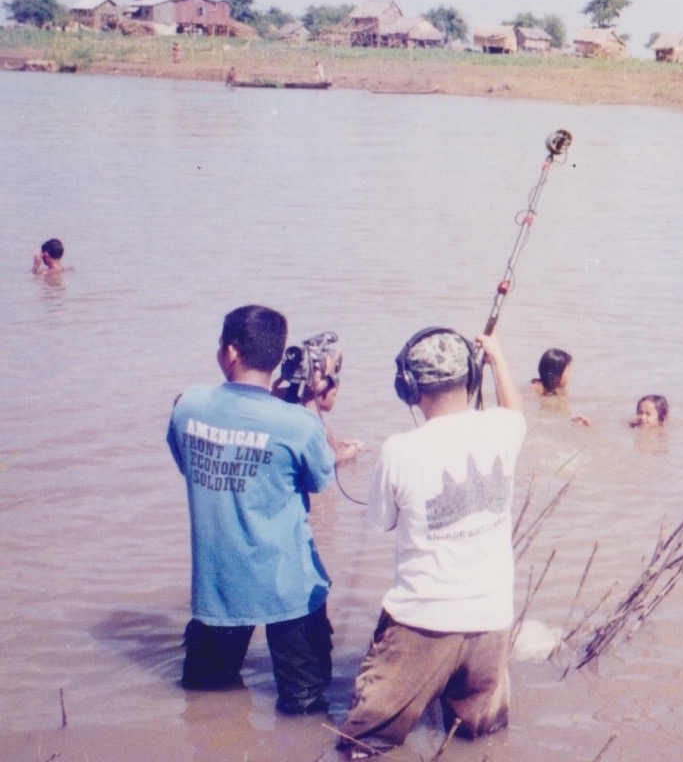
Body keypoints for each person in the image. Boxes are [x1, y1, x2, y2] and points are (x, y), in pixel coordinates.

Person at [336, 328, 526, 759]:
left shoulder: (400, 450)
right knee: (481, 740)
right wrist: (497, 355)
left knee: (362, 746)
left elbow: (382, 520)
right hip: (491, 624)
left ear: (409, 388)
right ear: (473, 378)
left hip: (421, 625)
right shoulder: (505, 428)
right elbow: (515, 411)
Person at [166, 305, 336, 715]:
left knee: (205, 704)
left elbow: (188, 463)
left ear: (229, 352)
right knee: (305, 707)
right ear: (278, 358)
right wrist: (309, 405)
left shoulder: (187, 405)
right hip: (289, 588)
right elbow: (319, 480)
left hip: (218, 588)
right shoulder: (298, 424)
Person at [272, 333, 362, 463]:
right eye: (334, 394)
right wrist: (347, 455)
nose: (334, 399)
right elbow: (322, 465)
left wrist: (338, 445)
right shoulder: (316, 425)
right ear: (321, 389)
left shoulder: (281, 404)